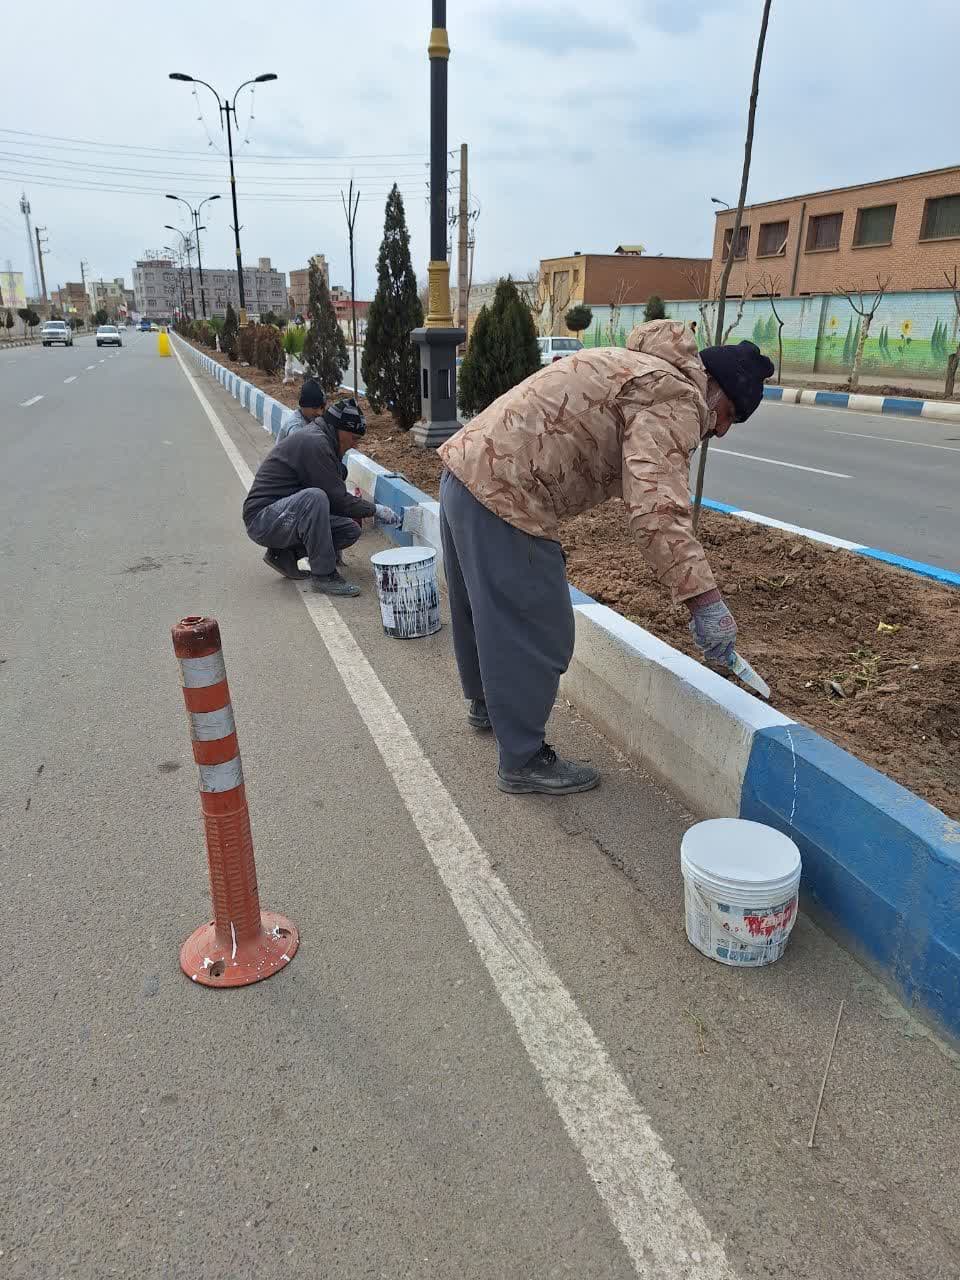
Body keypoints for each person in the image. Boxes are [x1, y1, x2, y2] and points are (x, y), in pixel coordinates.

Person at [437, 320, 774, 796]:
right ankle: (524, 760)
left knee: (482, 609)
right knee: (542, 630)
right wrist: (704, 600)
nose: (720, 431)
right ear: (717, 394)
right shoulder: (675, 396)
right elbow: (656, 508)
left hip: (465, 469)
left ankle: (488, 707)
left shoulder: (636, 366)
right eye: (729, 417)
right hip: (508, 494)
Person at [243, 396, 399, 597]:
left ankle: (284, 555)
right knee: (315, 498)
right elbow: (337, 500)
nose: (355, 445)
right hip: (262, 519)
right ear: (340, 430)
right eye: (354, 438)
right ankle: (324, 576)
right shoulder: (315, 442)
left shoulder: (323, 440)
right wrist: (376, 510)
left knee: (349, 530)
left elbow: (334, 492)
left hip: (284, 515)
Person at [276, 378, 326, 443]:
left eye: (322, 407)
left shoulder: (310, 418)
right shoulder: (296, 429)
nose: (320, 412)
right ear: (303, 406)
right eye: (314, 407)